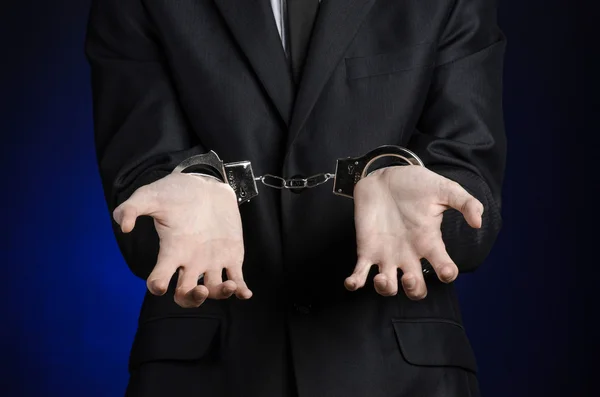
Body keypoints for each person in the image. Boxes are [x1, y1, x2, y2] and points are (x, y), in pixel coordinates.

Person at [85, 0, 506, 395]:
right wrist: (193, 183)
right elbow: (139, 203)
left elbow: (472, 195)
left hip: (401, 375)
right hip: (208, 374)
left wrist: (424, 211)